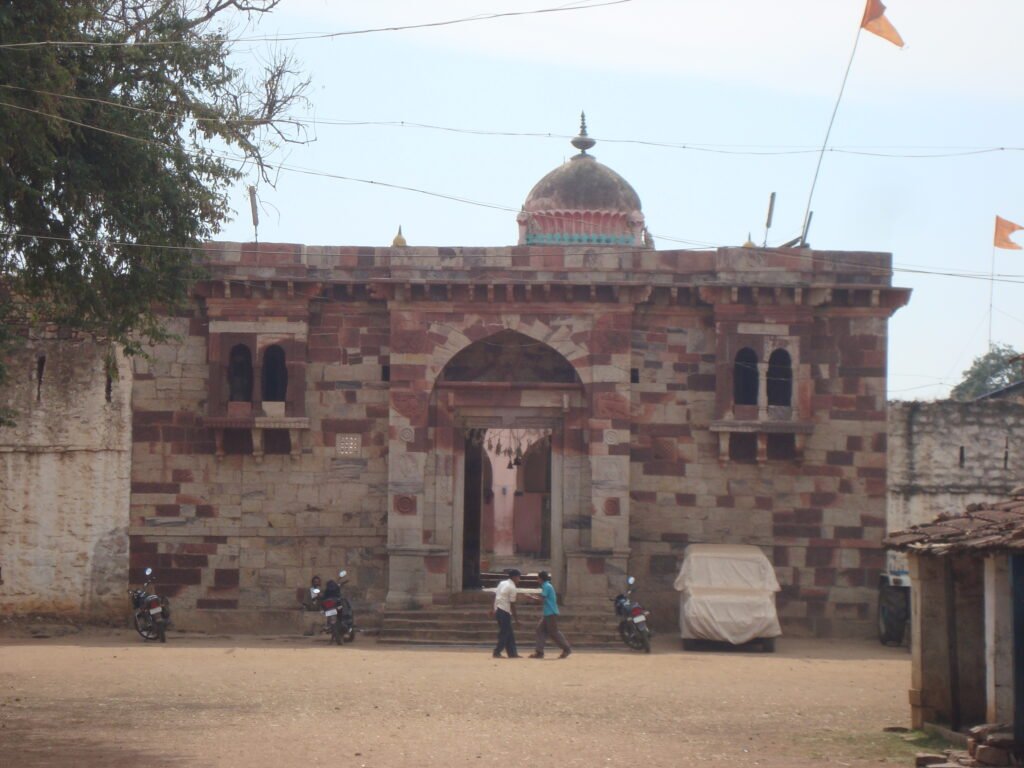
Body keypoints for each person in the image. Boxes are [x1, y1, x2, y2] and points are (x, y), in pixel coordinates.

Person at [529, 570, 572, 659]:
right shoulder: (547, 586)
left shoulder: (546, 586)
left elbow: (542, 599)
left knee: (553, 632)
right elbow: (543, 598)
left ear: (540, 578)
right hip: (548, 613)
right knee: (540, 630)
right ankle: (539, 651)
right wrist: (533, 597)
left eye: (538, 578)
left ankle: (566, 648)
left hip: (550, 612)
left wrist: (531, 598)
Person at [490, 568, 522, 658]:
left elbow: (495, 595)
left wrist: (492, 608)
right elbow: (512, 605)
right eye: (519, 577)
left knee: (509, 633)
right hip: (504, 611)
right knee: (505, 633)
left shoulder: (502, 583)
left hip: (498, 610)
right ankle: (497, 651)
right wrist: (516, 619)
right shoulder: (512, 588)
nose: (519, 579)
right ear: (515, 577)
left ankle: (512, 653)